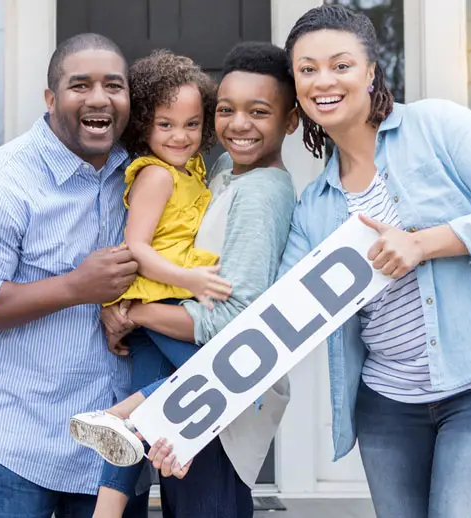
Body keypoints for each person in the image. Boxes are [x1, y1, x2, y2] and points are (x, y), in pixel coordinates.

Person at [277, 5, 471, 518]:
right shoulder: (313, 205)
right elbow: (279, 315)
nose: (324, 81)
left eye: (341, 65)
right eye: (307, 69)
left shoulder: (436, 126)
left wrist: (424, 242)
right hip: (389, 406)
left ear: (370, 70)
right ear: (295, 85)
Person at [77, 41, 303, 518]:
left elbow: (231, 323)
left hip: (221, 403)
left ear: (290, 120)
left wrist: (132, 313)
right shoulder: (218, 171)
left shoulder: (260, 192)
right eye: (226, 110)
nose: (238, 124)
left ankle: (120, 422)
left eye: (259, 111)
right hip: (182, 370)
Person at [0, 33, 150, 518]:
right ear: (51, 99)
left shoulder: (141, 176)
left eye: (114, 85)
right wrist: (77, 288)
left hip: (110, 450)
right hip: (12, 444)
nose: (98, 98)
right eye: (80, 85)